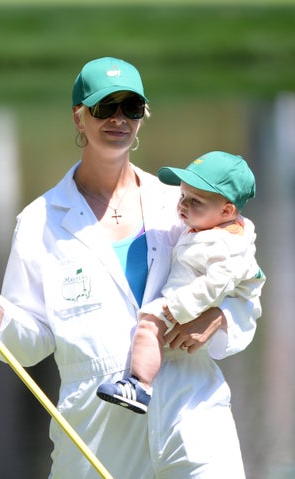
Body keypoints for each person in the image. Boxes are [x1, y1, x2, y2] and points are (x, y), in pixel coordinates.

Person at [0, 57, 261, 479]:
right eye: (105, 107)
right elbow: (29, 343)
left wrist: (218, 318)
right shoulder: (41, 220)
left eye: (131, 107)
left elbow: (244, 294)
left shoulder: (178, 203)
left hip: (195, 421)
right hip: (98, 437)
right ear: (78, 116)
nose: (119, 119)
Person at [96, 151, 265, 414]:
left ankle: (140, 385)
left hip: (183, 307)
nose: (183, 206)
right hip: (181, 308)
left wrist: (182, 307)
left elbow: (218, 282)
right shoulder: (205, 226)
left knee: (148, 326)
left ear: (227, 210)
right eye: (183, 196)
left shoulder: (225, 243)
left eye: (195, 201)